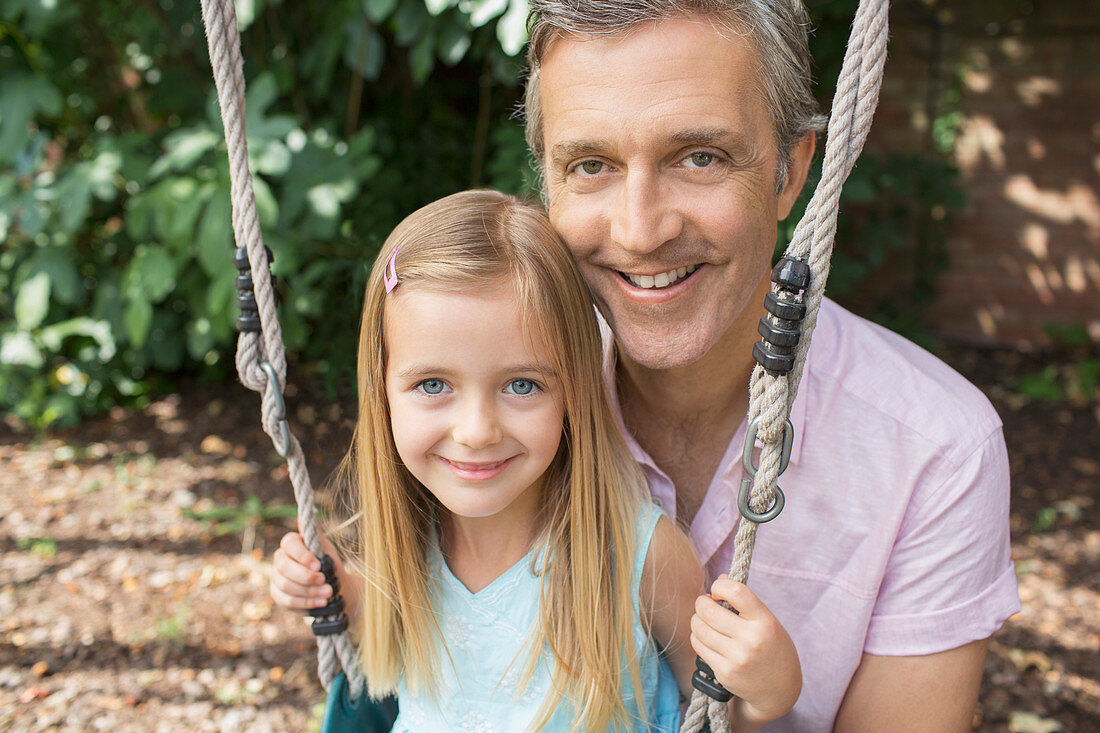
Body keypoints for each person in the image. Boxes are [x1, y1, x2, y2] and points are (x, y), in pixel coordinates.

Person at [521, 1, 1021, 731]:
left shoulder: (936, 452)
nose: (639, 229)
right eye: (589, 166)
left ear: (790, 174)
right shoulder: (489, 412)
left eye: (700, 157)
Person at [270, 190, 803, 731]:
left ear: (572, 389)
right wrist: (332, 589)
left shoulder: (635, 554)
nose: (476, 432)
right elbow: (384, 638)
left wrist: (769, 691)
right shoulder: (400, 553)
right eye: (433, 384)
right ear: (383, 390)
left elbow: (715, 712)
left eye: (521, 385)